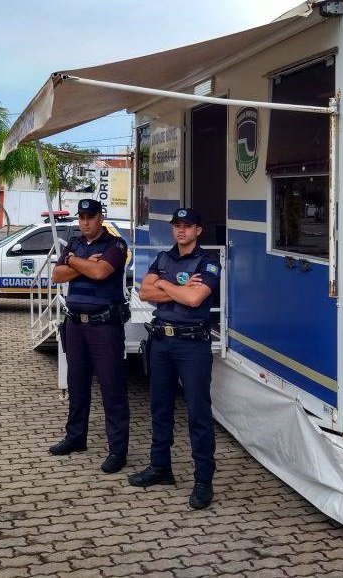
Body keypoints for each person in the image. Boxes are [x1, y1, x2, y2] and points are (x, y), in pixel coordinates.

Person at [128, 207, 221, 510]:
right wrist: (179, 288)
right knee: (160, 408)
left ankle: (203, 481)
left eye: (187, 226)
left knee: (198, 413)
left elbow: (195, 299)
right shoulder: (163, 258)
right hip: (161, 341)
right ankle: (160, 468)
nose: (181, 230)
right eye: (177, 225)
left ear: (198, 231)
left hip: (192, 345)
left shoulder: (208, 262)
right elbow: (145, 292)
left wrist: (164, 285)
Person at [48, 198, 130, 474]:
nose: (84, 223)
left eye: (90, 217)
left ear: (100, 218)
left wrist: (73, 262)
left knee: (112, 388)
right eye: (81, 218)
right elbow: (57, 275)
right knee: (77, 385)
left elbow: (99, 272)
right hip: (75, 325)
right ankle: (75, 438)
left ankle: (117, 450)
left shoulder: (115, 245)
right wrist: (79, 262)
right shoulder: (74, 243)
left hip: (104, 327)